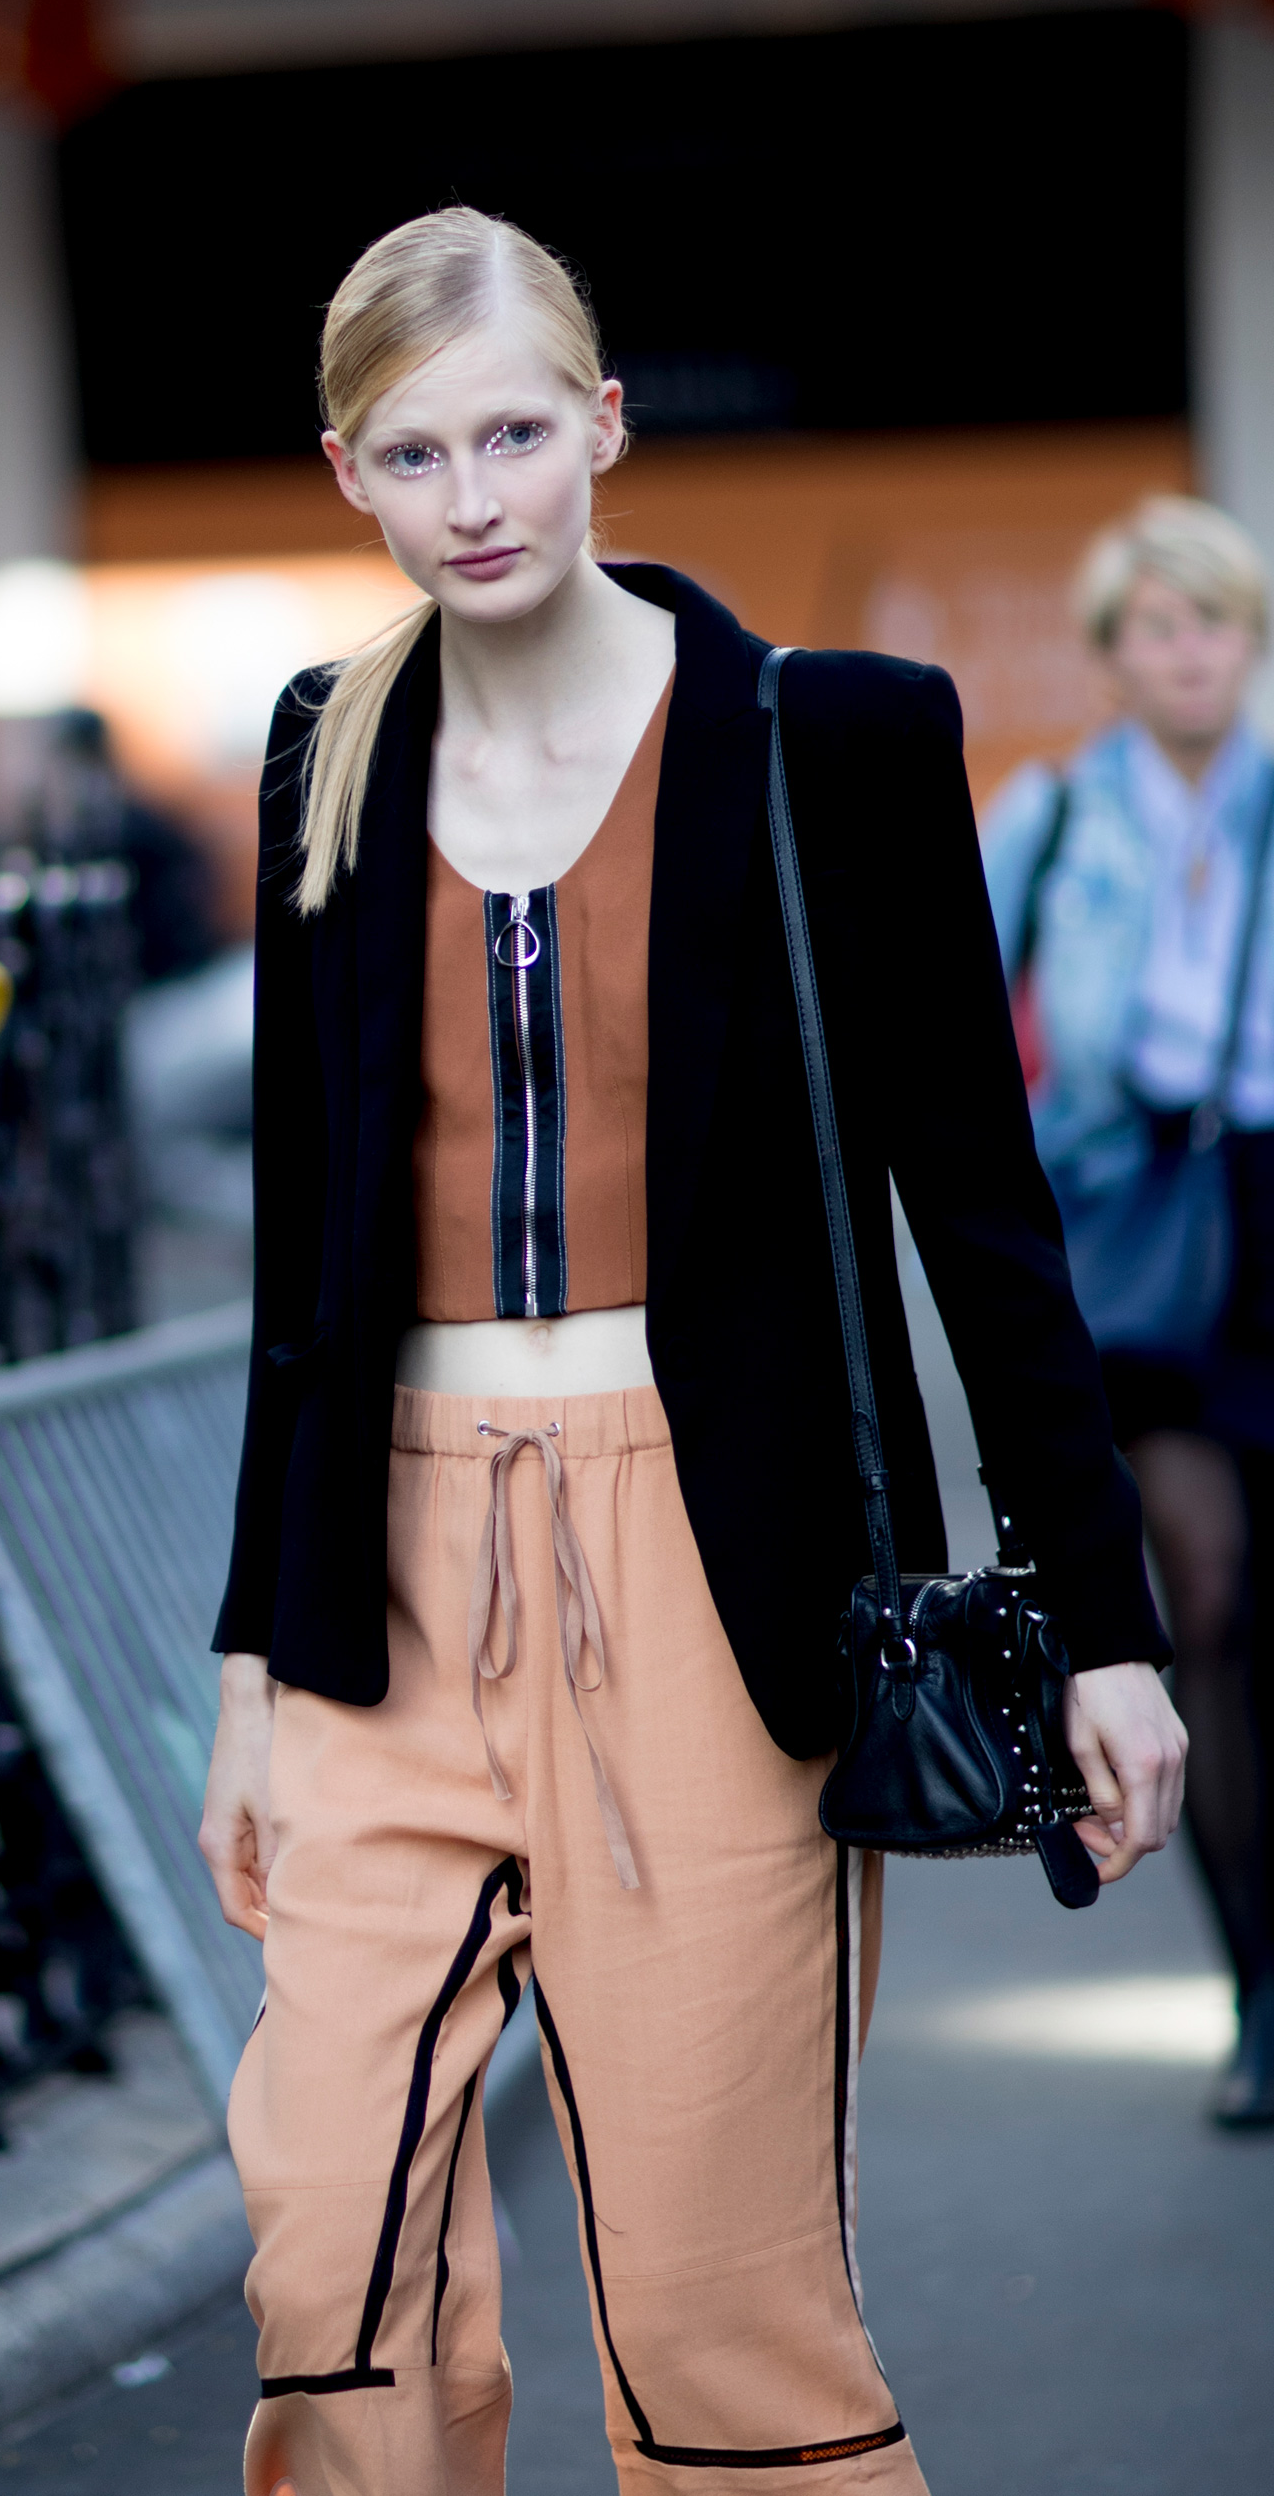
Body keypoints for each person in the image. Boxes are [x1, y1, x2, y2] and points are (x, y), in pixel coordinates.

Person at [201, 209, 1185, 2496]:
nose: (474, 499)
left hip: (719, 1587)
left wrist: (1109, 1631)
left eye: (516, 435)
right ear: (347, 474)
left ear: (606, 426)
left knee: (715, 2312)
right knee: (328, 2251)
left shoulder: (832, 741)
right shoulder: (325, 753)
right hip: (383, 1598)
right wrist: (251, 1669)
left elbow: (986, 1224)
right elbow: (297, 1262)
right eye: (415, 453)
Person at [984, 495, 1274, 2127]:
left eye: (1212, 622)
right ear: (1112, 654)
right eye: (1157, 627)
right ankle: (1261, 1994)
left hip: (1273, 1212)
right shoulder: (1053, 817)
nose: (1188, 653)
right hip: (1141, 1231)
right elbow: (958, 1038)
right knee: (1206, 1598)